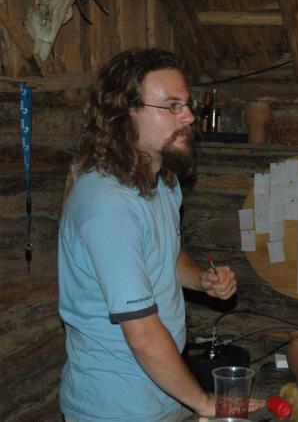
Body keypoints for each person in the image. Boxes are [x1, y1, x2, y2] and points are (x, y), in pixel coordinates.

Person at [58, 49, 244, 421]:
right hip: (116, 407)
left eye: (187, 105)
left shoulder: (163, 183)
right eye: (172, 106)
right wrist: (204, 402)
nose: (189, 116)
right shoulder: (108, 204)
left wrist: (200, 279)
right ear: (126, 113)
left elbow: (164, 254)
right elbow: (142, 333)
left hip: (163, 392)